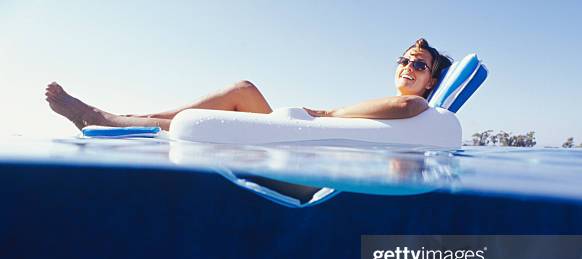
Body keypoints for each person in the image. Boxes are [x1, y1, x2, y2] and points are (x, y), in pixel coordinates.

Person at [46, 38, 452, 132]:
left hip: (303, 161)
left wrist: (327, 112)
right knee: (244, 89)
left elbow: (408, 109)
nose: (407, 66)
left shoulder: (419, 108)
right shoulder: (391, 102)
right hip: (300, 141)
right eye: (403, 59)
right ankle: (129, 117)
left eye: (418, 64)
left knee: (231, 110)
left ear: (431, 82)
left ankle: (110, 119)